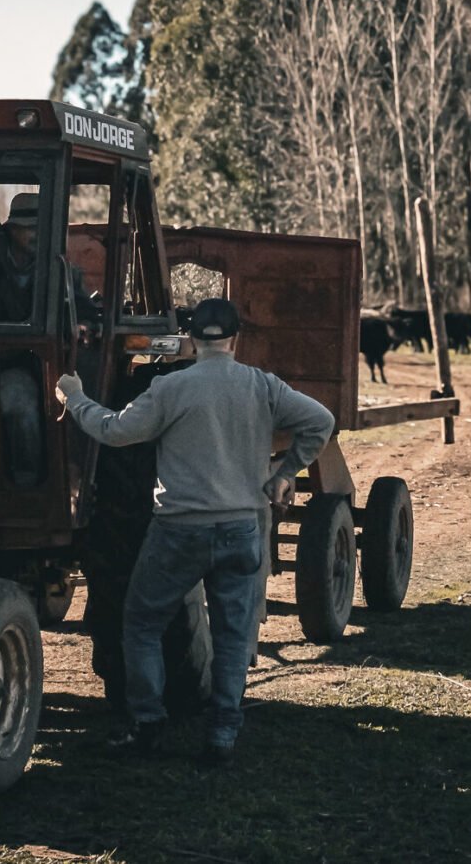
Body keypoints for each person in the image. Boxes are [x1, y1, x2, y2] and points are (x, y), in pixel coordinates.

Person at [55, 297, 334, 765]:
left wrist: (75, 397)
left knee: (141, 623)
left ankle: (148, 722)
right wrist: (285, 473)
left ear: (190, 339)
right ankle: (222, 735)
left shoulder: (171, 387)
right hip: (241, 530)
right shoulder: (261, 385)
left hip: (178, 532)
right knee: (232, 636)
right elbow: (320, 422)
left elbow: (114, 431)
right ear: (235, 339)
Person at [0, 192, 98, 485]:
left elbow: (82, 308)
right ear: (11, 229)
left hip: (31, 363)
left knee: (20, 397)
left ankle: (27, 487)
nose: (37, 234)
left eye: (41, 227)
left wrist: (83, 324)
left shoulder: (58, 267)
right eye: (28, 228)